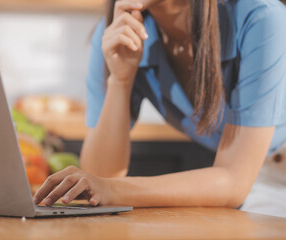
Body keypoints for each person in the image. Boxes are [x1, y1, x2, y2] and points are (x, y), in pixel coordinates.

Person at [34, 0, 286, 217]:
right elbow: (98, 177)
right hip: (244, 181)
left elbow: (234, 180)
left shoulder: (261, 17)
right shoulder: (117, 33)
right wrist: (120, 81)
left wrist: (113, 189)